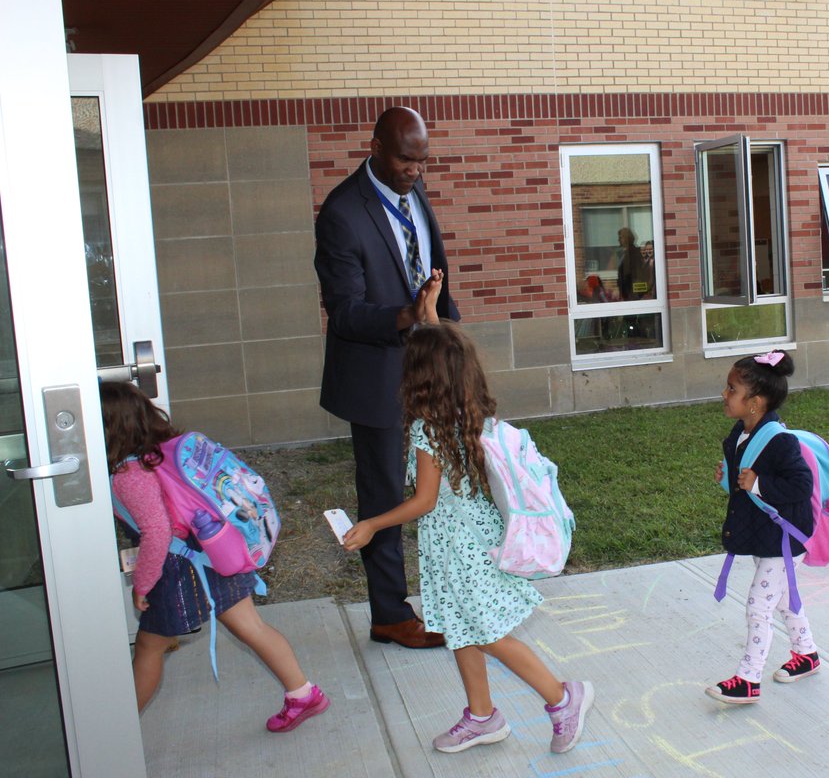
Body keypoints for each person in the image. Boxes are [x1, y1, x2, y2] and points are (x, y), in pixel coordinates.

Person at [341, 321, 595, 755]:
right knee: (461, 629)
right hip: (473, 540)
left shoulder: (427, 430)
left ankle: (562, 697)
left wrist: (371, 525)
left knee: (486, 634)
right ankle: (482, 715)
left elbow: (423, 501)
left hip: (462, 549)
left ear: (419, 377)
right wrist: (430, 313)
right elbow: (444, 344)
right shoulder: (469, 412)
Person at [100, 381, 329, 732]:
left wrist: (142, 585)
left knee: (148, 647)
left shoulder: (129, 474)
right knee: (251, 626)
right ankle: (303, 694)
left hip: (180, 569)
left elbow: (157, 533)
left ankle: (115, 737)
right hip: (212, 553)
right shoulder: (160, 451)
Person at [315, 106, 459, 649]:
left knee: (442, 486)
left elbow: (435, 280)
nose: (414, 172)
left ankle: (449, 596)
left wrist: (449, 339)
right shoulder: (342, 213)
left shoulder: (413, 192)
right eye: (405, 159)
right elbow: (345, 311)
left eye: (422, 162)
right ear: (374, 146)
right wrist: (406, 314)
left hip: (431, 367)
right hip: (376, 378)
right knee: (383, 496)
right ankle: (390, 615)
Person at [707, 350, 818, 705]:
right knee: (784, 600)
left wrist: (759, 482)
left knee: (758, 606)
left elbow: (801, 485)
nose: (724, 395)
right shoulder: (741, 432)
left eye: (731, 389)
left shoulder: (780, 440)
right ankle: (807, 655)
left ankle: (748, 678)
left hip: (785, 538)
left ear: (754, 402)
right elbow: (745, 483)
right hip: (767, 536)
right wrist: (732, 480)